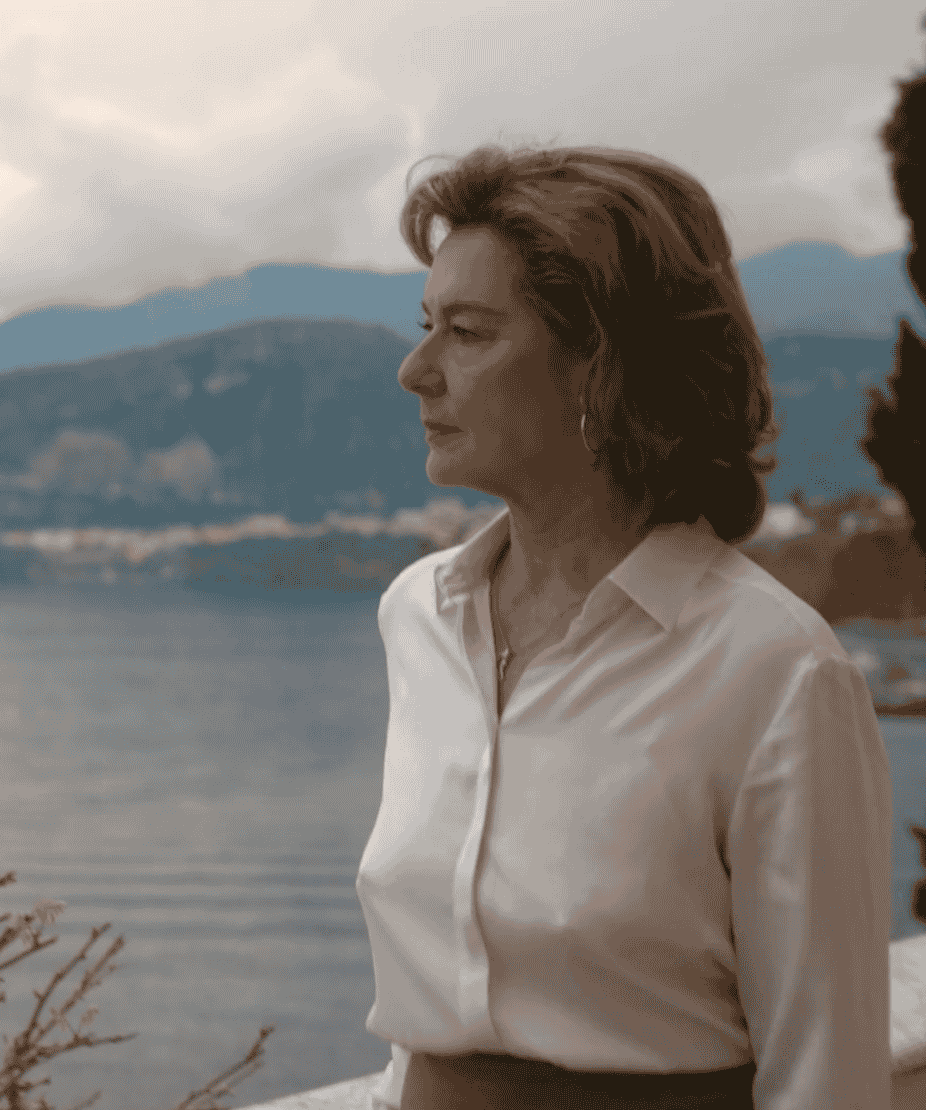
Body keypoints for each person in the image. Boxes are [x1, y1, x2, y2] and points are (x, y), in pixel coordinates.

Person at [355, 144, 893, 1110]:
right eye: (425, 326)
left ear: (602, 366)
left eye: (467, 333)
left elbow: (828, 1075)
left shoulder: (777, 670)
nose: (414, 371)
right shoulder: (419, 617)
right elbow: (426, 1007)